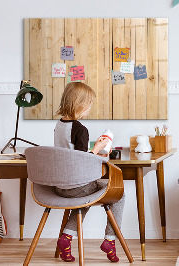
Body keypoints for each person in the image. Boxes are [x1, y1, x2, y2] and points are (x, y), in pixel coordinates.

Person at [54, 82, 125, 263]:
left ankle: (66, 238)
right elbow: (82, 161)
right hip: (77, 186)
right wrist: (98, 148)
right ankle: (110, 240)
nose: (89, 108)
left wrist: (95, 150)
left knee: (84, 198)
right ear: (81, 104)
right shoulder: (80, 129)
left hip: (60, 186)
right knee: (119, 194)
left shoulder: (59, 125)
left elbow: (71, 154)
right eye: (89, 104)